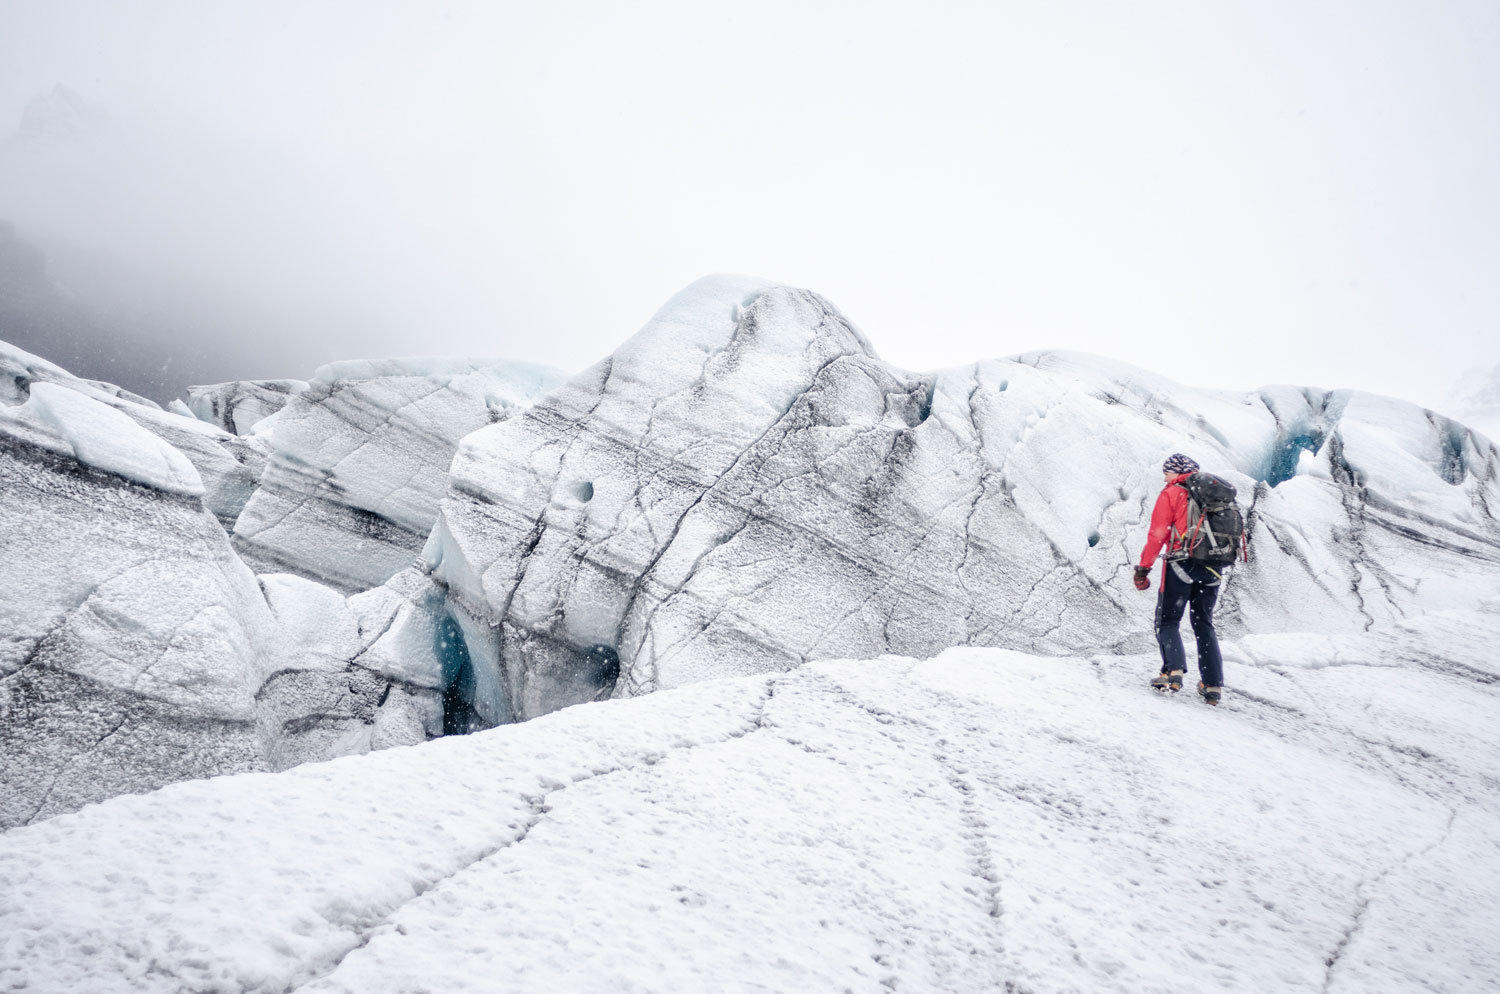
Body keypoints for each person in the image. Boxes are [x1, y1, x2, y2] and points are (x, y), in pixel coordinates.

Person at [1133, 453, 1224, 705]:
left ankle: (1172, 672)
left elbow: (1158, 534)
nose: (1165, 478)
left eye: (1167, 473)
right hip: (1214, 567)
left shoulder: (1172, 493)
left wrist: (1143, 568)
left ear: (1176, 472)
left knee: (1168, 620)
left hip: (1182, 563)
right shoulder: (1213, 494)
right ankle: (1212, 684)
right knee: (1203, 624)